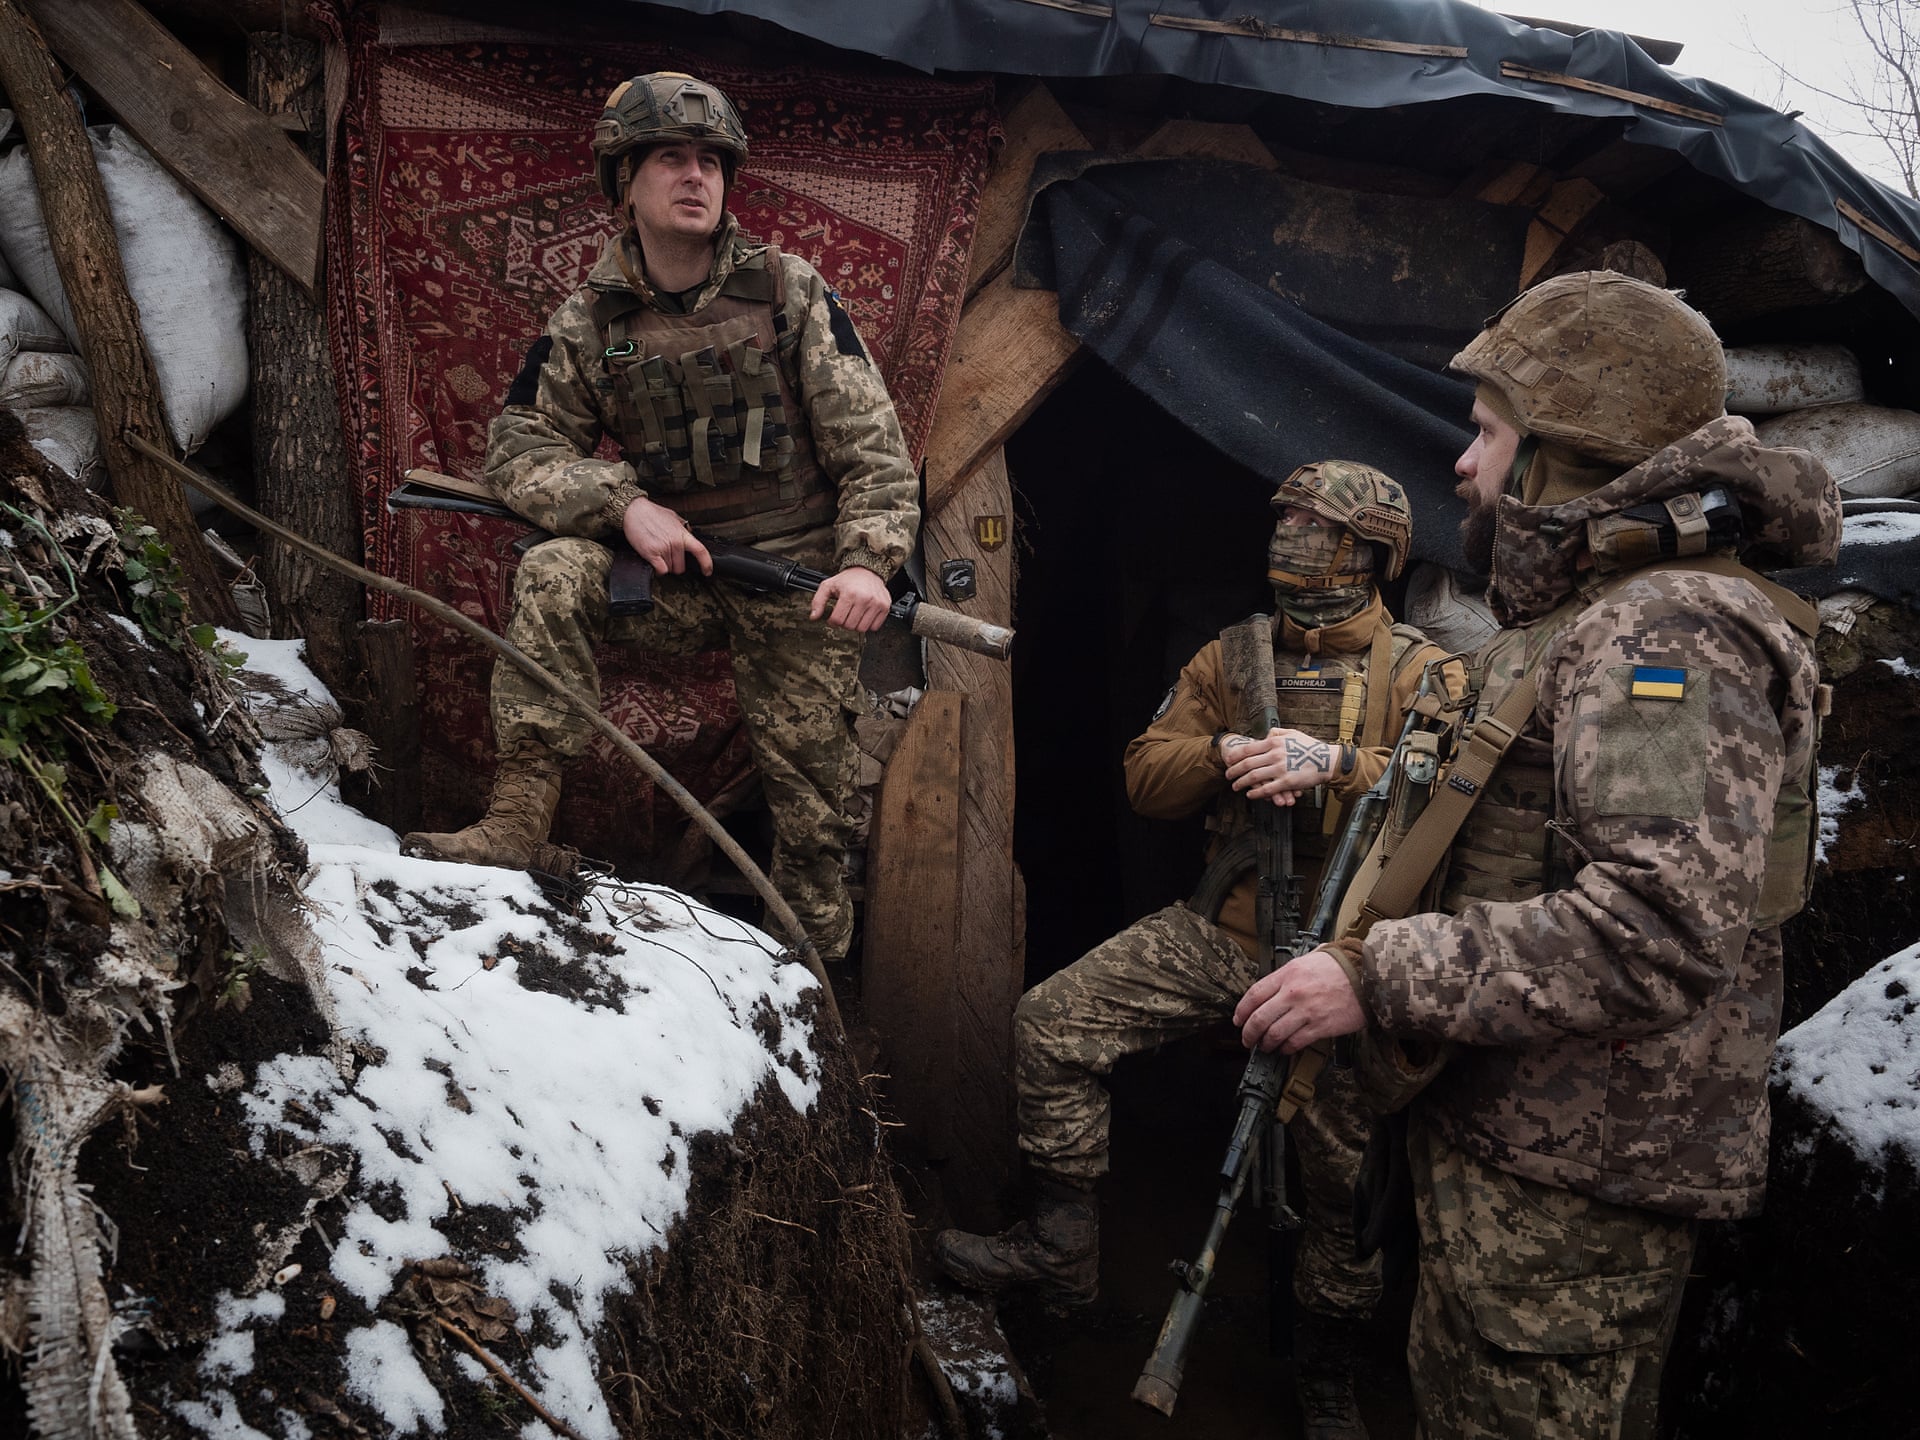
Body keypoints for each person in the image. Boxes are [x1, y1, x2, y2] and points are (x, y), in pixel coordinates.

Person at [1232, 272, 1841, 1439]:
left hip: (1574, 1180)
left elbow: (1656, 929)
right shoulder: (1599, 615)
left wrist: (1376, 975)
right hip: (1527, 1144)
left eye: (1487, 434)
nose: (1465, 465)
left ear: (1563, 458)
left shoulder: (1667, 632)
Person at [933, 461, 1463, 1439]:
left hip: (1352, 966)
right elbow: (1145, 776)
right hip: (1227, 932)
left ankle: (1329, 1371)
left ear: (1374, 554)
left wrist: (1336, 763)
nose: (1293, 543)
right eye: (1287, 524)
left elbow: (1453, 799)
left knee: (1345, 1187)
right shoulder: (1235, 657)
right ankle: (1061, 1251)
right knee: (1051, 1025)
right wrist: (1221, 754)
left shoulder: (1427, 674)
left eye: (1318, 530)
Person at [405, 73, 920, 962]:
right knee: (555, 568)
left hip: (799, 586)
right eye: (672, 158)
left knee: (815, 813)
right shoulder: (592, 319)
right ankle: (519, 821)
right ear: (625, 181)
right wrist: (624, 504)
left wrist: (868, 562)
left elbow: (874, 451)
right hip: (681, 576)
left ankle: (809, 979)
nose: (696, 176)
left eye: (711, 161)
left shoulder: (788, 292)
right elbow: (519, 448)